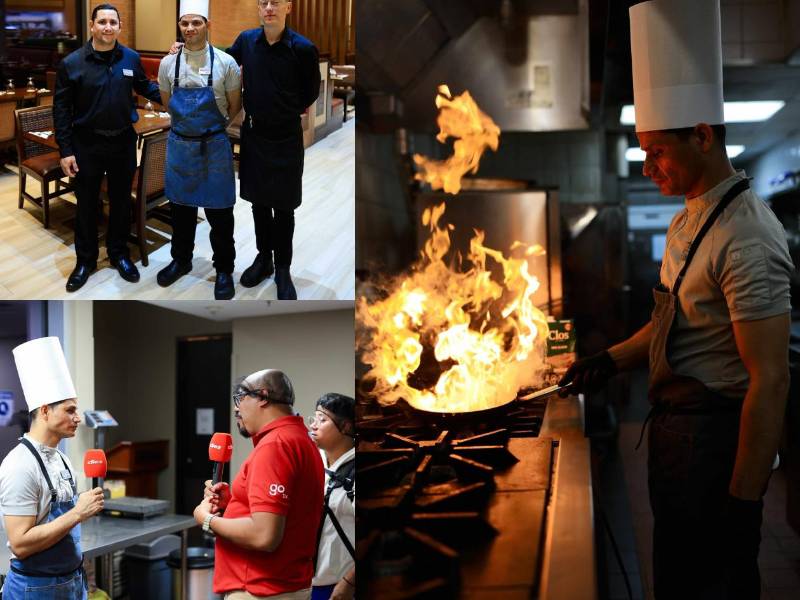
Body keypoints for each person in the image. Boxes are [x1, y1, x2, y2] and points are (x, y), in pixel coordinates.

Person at [561, 1, 794, 598]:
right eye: (643, 151)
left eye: (657, 151)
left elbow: (769, 381)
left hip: (716, 451)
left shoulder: (746, 236)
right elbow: (671, 325)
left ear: (702, 135)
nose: (646, 167)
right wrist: (607, 360)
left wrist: (744, 502)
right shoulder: (688, 220)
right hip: (676, 447)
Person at [54, 3, 162, 292]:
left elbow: (146, 87)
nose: (107, 27)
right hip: (86, 143)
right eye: (102, 21)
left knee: (121, 202)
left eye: (113, 22)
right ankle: (85, 261)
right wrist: (66, 150)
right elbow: (61, 111)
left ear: (119, 26)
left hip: (123, 141)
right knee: (87, 205)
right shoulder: (72, 63)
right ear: (92, 25)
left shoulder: (130, 57)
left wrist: (176, 93)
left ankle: (118, 254)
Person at [194, 370, 324, 599]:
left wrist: (206, 520)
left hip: (260, 588)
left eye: (240, 398)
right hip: (288, 585)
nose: (236, 408)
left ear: (263, 396)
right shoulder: (300, 438)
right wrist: (232, 504)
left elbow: (264, 536)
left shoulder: (275, 446)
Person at [227, 0, 321, 300]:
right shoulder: (246, 41)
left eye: (275, 2)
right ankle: (263, 258)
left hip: (285, 137)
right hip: (254, 134)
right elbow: (223, 64)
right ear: (259, 8)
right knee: (258, 202)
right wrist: (186, 50)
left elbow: (311, 90)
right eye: (264, 2)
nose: (269, 7)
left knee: (283, 206)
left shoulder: (303, 48)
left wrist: (284, 110)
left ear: (288, 8)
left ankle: (282, 267)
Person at [0, 337, 105, 599]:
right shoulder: (19, 466)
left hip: (71, 582)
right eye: (70, 410)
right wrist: (77, 514)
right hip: (35, 588)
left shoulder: (63, 459)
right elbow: (21, 544)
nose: (78, 418)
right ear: (45, 411)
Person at [156, 0, 242, 300]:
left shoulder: (225, 63)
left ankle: (224, 269)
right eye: (184, 23)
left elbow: (234, 106)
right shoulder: (168, 64)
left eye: (196, 22)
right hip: (181, 145)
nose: (190, 28)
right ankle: (181, 260)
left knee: (220, 214)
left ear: (208, 25)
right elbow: (167, 103)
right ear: (179, 26)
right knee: (180, 210)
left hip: (214, 145)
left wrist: (209, 128)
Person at [308, 394, 355, 600]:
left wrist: (349, 582)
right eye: (314, 418)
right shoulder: (314, 461)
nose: (314, 425)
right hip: (306, 583)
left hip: (340, 587)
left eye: (323, 419)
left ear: (345, 427)